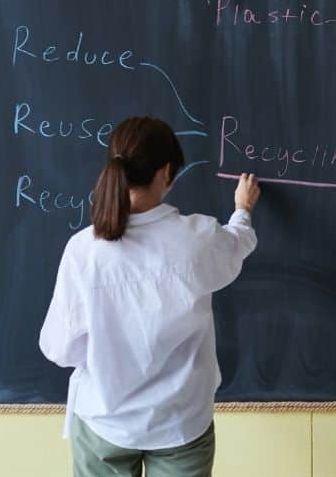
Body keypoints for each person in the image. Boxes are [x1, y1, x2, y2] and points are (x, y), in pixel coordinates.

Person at [40, 116, 260, 477]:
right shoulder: (198, 238)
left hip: (104, 422)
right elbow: (236, 245)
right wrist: (243, 209)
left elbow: (59, 348)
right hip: (181, 422)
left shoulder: (83, 249)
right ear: (166, 172)